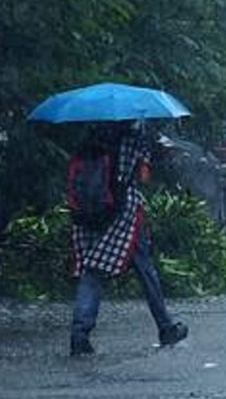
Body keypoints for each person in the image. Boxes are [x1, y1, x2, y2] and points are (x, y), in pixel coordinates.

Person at [69, 121, 188, 356]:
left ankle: (79, 334)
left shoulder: (90, 134)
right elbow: (142, 175)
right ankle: (166, 327)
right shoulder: (134, 135)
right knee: (145, 270)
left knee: (92, 270)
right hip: (124, 214)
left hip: (90, 213)